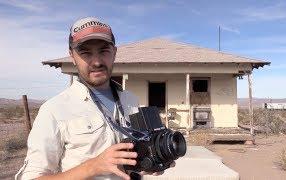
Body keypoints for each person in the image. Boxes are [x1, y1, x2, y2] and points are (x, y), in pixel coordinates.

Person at [15, 17, 171, 180]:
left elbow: (135, 157)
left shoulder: (130, 100)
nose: (96, 62)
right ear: (72, 56)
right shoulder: (53, 110)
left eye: (104, 51)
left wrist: (151, 160)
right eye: (85, 53)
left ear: (114, 53)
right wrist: (93, 166)